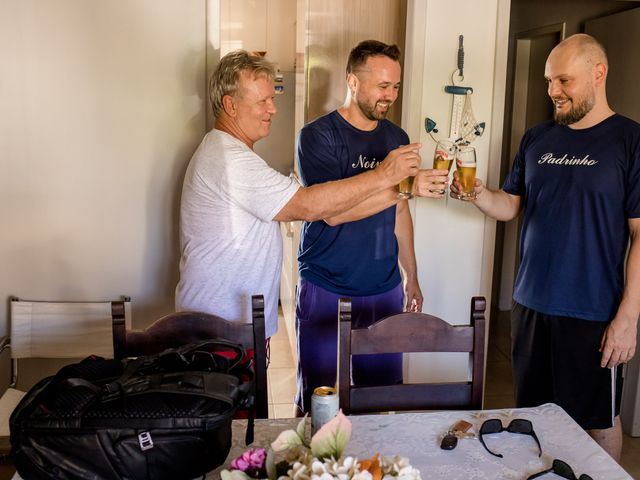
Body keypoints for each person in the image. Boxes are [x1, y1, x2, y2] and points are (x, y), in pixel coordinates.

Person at [451, 33, 640, 461]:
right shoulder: (537, 139)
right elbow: (510, 206)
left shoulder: (631, 141)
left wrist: (628, 317)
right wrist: (478, 193)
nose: (553, 91)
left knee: (599, 417)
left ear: (599, 73)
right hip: (531, 303)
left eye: (563, 81)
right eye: (549, 81)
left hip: (594, 311)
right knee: (533, 413)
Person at [175, 50, 446, 342]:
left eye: (273, 99)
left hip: (233, 324)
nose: (273, 109)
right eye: (263, 101)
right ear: (230, 105)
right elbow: (311, 206)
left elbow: (399, 211)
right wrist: (388, 177)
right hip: (220, 328)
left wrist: (410, 274)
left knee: (380, 385)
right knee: (317, 387)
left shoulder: (229, 153)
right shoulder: (231, 160)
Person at [295, 40, 448, 413]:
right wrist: (403, 186)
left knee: (380, 399)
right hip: (326, 284)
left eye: (395, 86)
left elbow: (399, 212)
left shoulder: (395, 138)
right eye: (383, 86)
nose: (390, 96)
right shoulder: (317, 136)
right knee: (317, 400)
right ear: (352, 81)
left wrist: (411, 275)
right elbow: (332, 212)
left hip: (383, 290)